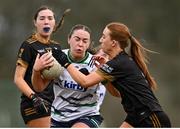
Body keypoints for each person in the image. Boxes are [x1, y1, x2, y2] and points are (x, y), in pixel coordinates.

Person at [52, 22, 171, 127]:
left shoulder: (119, 63)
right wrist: (104, 73)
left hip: (151, 118)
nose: (100, 40)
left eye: (104, 37)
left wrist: (65, 62)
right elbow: (116, 93)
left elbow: (85, 82)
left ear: (113, 43)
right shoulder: (116, 63)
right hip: (135, 117)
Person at [32, 24, 106, 128]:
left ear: (88, 44)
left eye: (85, 41)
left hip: (87, 115)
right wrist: (36, 70)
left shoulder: (96, 63)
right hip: (58, 116)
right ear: (69, 39)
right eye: (77, 39)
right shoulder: (56, 59)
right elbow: (39, 88)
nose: (80, 44)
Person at [13, 5, 61, 127]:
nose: (46, 21)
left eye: (50, 18)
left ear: (54, 23)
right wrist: (34, 98)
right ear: (35, 22)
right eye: (42, 18)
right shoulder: (28, 45)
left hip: (53, 103)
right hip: (33, 103)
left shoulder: (56, 47)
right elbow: (18, 79)